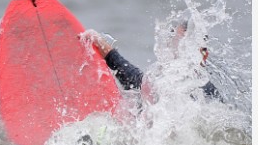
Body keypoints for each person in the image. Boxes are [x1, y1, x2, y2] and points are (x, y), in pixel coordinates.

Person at [84, 25, 223, 102]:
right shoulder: (159, 83)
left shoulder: (208, 94)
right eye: (171, 42)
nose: (172, 50)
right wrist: (101, 45)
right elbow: (133, 78)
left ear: (203, 56)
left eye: (182, 45)